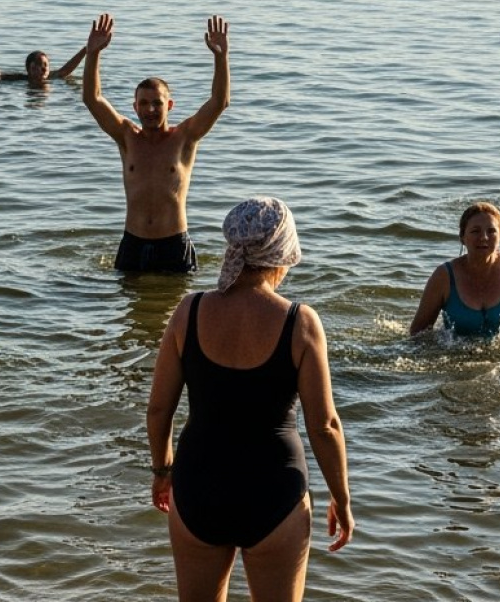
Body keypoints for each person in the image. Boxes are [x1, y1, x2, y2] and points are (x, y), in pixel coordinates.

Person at [146, 197, 353, 602]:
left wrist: (161, 470)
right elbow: (325, 425)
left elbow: (158, 409)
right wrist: (341, 500)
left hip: (198, 486)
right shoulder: (301, 322)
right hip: (274, 491)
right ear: (283, 252)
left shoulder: (189, 310)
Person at [82, 13, 231, 274]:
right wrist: (93, 53)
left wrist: (221, 58)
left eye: (157, 103)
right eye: (144, 103)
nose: (150, 109)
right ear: (135, 107)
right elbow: (92, 99)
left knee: (177, 311)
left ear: (169, 105)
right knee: (129, 313)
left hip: (173, 244)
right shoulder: (126, 137)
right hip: (133, 243)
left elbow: (219, 102)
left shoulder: (184, 137)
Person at [410, 202, 500, 338]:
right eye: (475, 231)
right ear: (463, 237)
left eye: (491, 231)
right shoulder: (444, 276)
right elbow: (417, 333)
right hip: (458, 356)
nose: (484, 237)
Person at [0, 46, 87, 86]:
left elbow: (67, 69)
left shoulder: (52, 77)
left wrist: (87, 50)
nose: (43, 69)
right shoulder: (19, 79)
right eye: (38, 65)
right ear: (29, 69)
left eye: (45, 65)